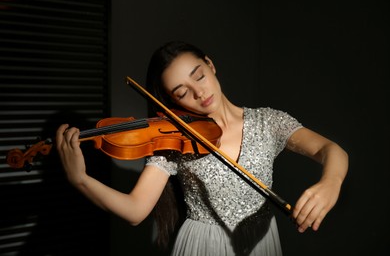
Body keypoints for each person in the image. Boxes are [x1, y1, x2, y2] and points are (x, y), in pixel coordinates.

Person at [56, 40, 349, 256]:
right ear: (173, 102)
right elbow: (135, 210)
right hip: (204, 246)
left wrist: (331, 181)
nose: (199, 93)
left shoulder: (268, 122)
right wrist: (80, 179)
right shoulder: (175, 140)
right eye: (182, 92)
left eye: (199, 76)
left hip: (262, 242)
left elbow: (331, 150)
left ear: (210, 65)